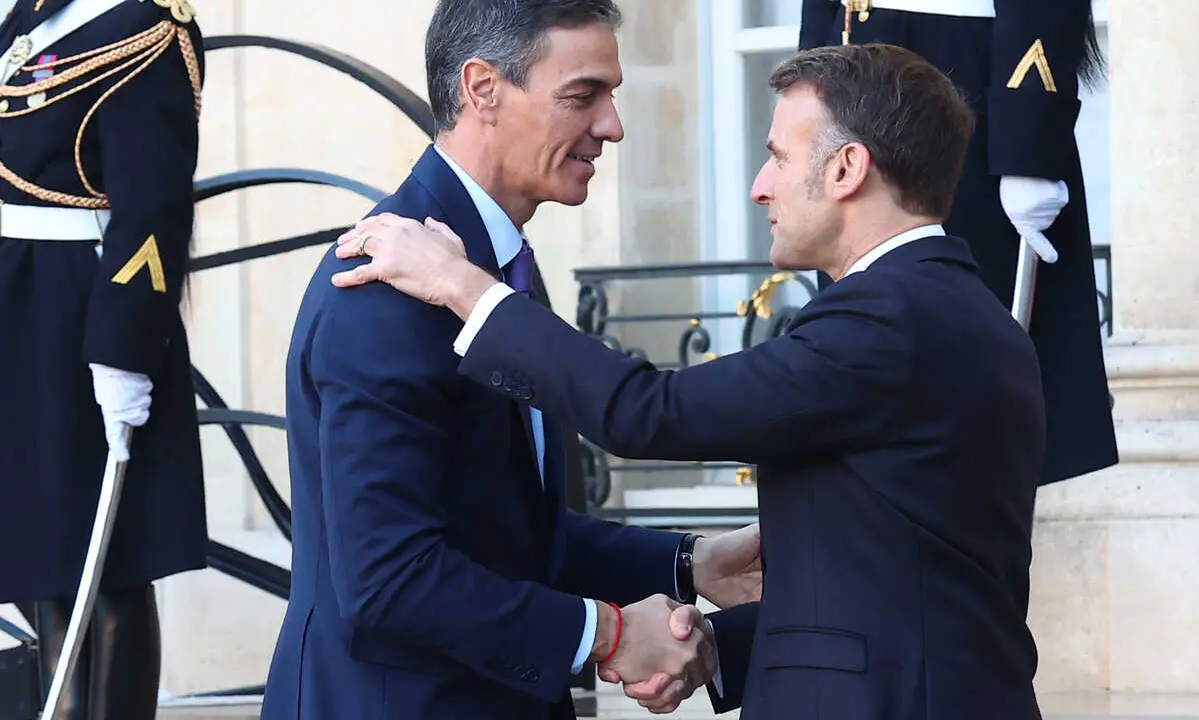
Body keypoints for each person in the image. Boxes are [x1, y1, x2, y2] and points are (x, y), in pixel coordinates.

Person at [332, 42, 1049, 719]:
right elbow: (897, 584)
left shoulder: (890, 317)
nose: (760, 186)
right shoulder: (950, 307)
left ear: (846, 170)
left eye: (776, 157)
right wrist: (709, 643)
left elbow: (650, 412)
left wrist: (462, 287)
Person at [258, 2, 762, 719]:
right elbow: (390, 577)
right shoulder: (383, 285)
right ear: (482, 88)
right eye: (582, 95)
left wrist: (688, 564)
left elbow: (506, 528)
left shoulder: (490, 266)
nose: (611, 125)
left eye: (611, 96)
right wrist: (609, 634)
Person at [799, 0, 1116, 486]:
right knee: (867, 356)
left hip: (956, 75)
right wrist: (807, 103)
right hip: (851, 66)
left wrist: (1027, 143)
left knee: (970, 399)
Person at [0, 0, 207, 718]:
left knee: (109, 568)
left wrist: (123, 351)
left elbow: (152, 208)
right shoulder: (30, 16)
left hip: (81, 323)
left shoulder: (148, 28)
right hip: (21, 321)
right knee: (47, 563)